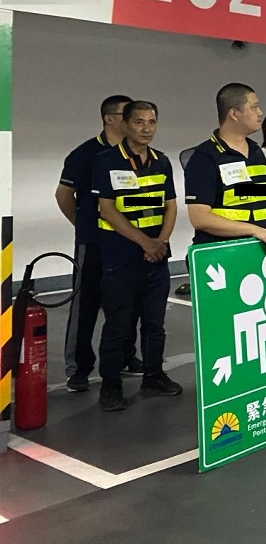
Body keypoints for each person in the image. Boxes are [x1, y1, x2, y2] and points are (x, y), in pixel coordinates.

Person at [91, 101, 181, 411]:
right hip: (121, 257)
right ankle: (111, 386)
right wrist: (146, 243)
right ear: (126, 124)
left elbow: (171, 205)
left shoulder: (162, 161)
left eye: (152, 122)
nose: (146, 128)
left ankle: (153, 375)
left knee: (155, 323)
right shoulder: (106, 161)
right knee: (119, 324)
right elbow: (107, 210)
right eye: (139, 122)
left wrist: (161, 242)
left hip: (157, 256)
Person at [55, 94, 142, 392]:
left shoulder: (136, 154)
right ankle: (78, 368)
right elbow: (63, 195)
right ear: (110, 118)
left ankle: (126, 356)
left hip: (128, 240)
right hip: (93, 242)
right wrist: (83, 225)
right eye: (127, 114)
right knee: (86, 305)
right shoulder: (85, 154)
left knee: (127, 303)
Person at [183, 83, 266, 254]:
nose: (260, 113)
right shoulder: (205, 157)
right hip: (224, 254)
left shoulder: (256, 151)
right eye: (254, 107)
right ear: (234, 114)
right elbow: (200, 218)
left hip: (260, 251)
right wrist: (254, 230)